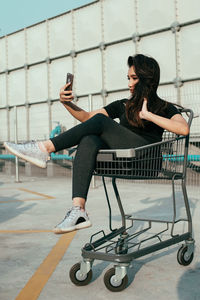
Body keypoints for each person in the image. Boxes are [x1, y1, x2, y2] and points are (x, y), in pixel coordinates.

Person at [4, 54, 189, 234]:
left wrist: (148, 115)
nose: (129, 83)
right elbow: (86, 118)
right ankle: (78, 210)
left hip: (147, 160)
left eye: (134, 78)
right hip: (124, 161)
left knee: (101, 120)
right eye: (128, 78)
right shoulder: (123, 105)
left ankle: (44, 148)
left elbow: (183, 129)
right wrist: (67, 103)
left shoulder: (163, 107)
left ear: (147, 79)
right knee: (89, 139)